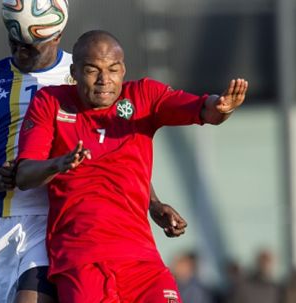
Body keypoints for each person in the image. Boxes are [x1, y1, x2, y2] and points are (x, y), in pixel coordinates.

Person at [0, 2, 188, 302]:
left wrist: (152, 203)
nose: (20, 51)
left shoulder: (85, 72)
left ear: (55, 36)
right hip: (0, 222)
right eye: (14, 43)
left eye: (31, 45)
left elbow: (116, 151)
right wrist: (8, 178)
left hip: (57, 221)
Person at [16, 30, 248, 302]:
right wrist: (59, 164)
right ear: (74, 72)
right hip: (82, 259)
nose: (104, 80)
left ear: (123, 69)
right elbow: (24, 175)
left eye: (113, 69)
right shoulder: (49, 103)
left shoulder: (144, 96)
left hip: (142, 260)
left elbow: (204, 110)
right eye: (92, 70)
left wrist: (223, 108)